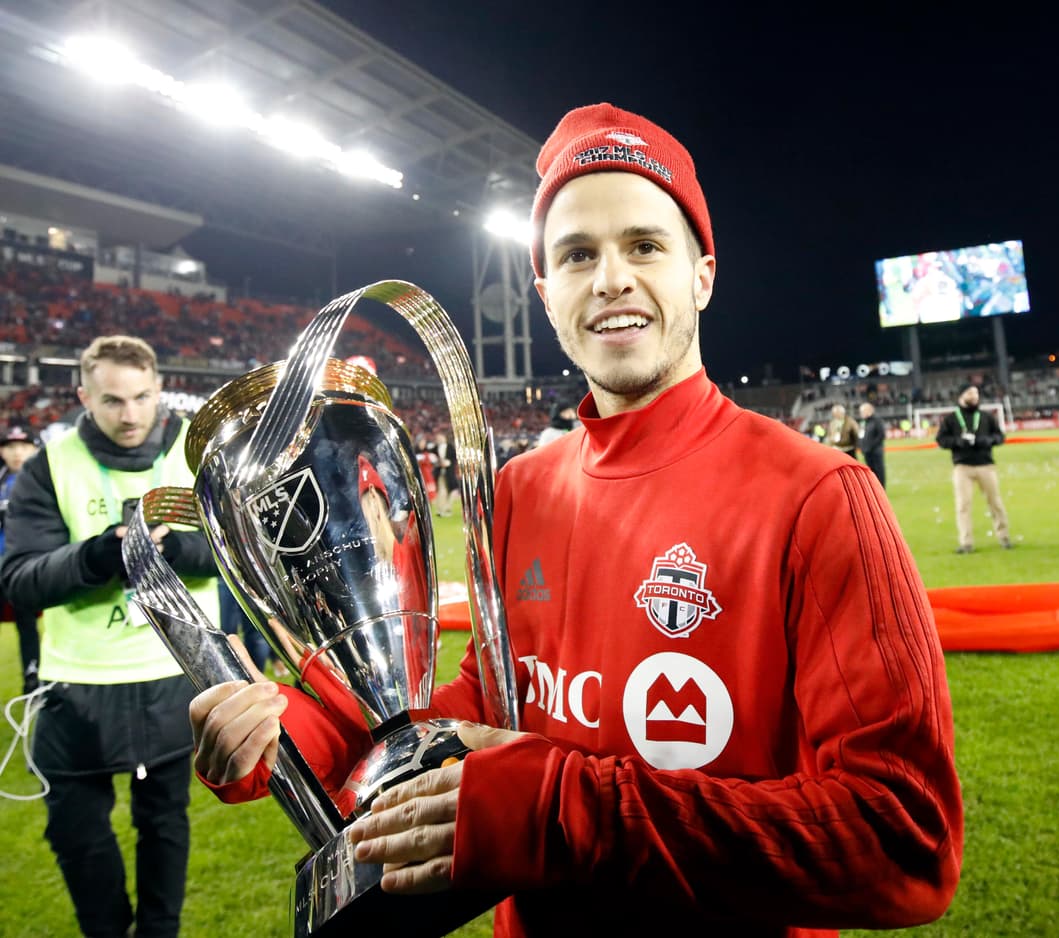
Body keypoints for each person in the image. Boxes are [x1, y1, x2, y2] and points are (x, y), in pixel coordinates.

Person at [189, 102, 963, 936]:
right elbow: (487, 702)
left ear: (702, 275)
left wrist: (562, 809)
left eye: (645, 245)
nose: (610, 279)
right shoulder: (519, 489)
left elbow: (904, 840)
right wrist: (294, 738)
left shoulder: (820, 496)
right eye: (578, 254)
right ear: (547, 295)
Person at [0, 335, 220, 938]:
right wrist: (98, 556)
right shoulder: (52, 463)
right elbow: (19, 579)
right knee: (75, 831)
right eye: (113, 400)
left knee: (165, 821)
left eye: (143, 397)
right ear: (83, 397)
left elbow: (236, 553)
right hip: (81, 683)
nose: (130, 414)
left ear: (159, 389)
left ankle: (159, 931)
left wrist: (173, 551)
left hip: (176, 673)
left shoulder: (196, 452)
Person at [935, 385, 1011, 552]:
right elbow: (941, 440)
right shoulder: (951, 419)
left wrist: (987, 440)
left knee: (995, 503)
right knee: (963, 506)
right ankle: (966, 543)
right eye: (970, 392)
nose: (975, 395)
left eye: (976, 392)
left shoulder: (986, 417)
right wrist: (958, 442)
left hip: (986, 466)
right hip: (962, 467)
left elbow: (1000, 437)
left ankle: (1004, 538)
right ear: (961, 396)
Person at [0, 424, 41, 693]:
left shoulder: (42, 482)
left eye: (23, 446)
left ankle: (33, 675)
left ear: (34, 449)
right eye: (11, 446)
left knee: (27, 623)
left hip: (25, 565)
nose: (17, 453)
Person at [858, 401, 887, 488]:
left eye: (862, 411)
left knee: (879, 471)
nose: (861, 413)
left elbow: (881, 435)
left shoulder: (877, 420)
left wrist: (871, 446)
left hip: (876, 452)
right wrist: (862, 446)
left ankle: (881, 489)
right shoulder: (864, 422)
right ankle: (874, 489)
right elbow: (862, 435)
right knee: (871, 472)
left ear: (869, 410)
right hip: (867, 452)